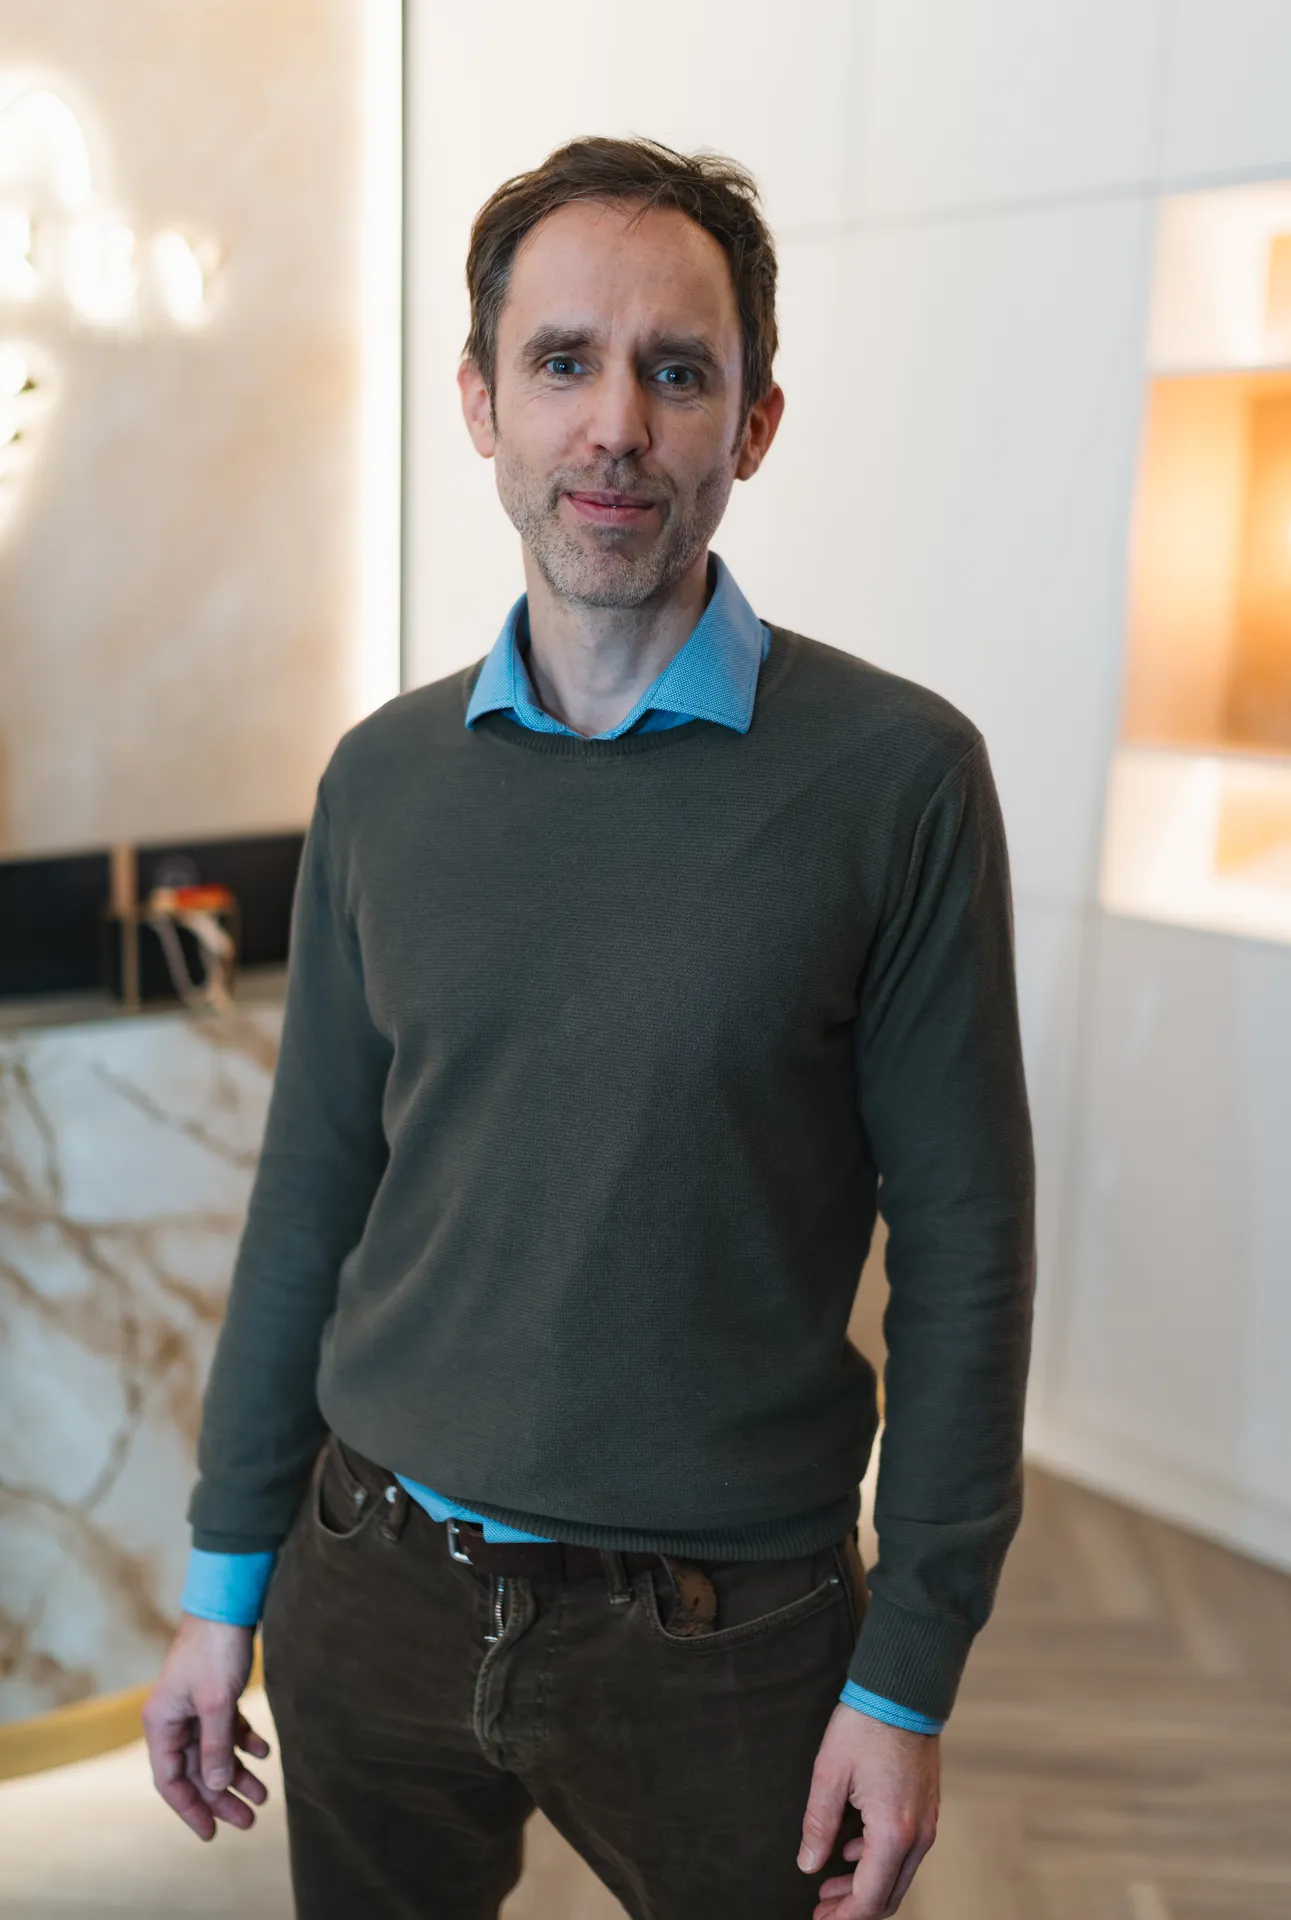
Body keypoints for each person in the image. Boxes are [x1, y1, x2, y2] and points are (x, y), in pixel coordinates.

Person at [142, 135, 1035, 1920]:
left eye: (674, 371)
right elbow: (312, 1192)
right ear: (480, 404)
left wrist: (907, 1667)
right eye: (562, 362)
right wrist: (222, 1584)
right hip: (372, 1584)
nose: (614, 422)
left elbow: (965, 1249)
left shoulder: (898, 780)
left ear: (751, 423)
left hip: (729, 1646)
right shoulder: (383, 779)